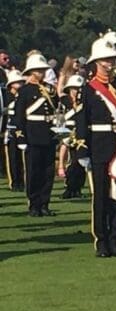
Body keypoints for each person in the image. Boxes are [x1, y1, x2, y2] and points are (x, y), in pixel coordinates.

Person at [75, 38, 116, 258]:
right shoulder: (89, 89)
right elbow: (82, 122)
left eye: (113, 59)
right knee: (100, 195)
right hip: (98, 145)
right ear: (97, 62)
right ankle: (101, 241)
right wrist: (82, 151)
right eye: (107, 59)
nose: (111, 63)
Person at [15, 53, 58, 217]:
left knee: (48, 173)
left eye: (42, 70)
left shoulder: (50, 89)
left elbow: (56, 110)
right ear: (31, 72)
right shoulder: (25, 91)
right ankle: (34, 204)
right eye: (38, 70)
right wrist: (21, 136)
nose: (41, 73)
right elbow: (19, 116)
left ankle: (45, 204)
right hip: (32, 134)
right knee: (34, 172)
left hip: (48, 134)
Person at [58, 74, 86, 199]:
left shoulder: (85, 102)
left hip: (81, 133)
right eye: (74, 88)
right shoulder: (64, 102)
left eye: (79, 88)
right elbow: (60, 117)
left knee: (81, 162)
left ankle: (78, 188)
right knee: (71, 162)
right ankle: (69, 187)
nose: (76, 91)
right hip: (68, 132)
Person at [4, 69, 25, 191]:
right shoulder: (7, 96)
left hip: (21, 131)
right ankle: (14, 182)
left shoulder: (22, 96)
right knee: (12, 158)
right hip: (10, 131)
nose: (20, 84)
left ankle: (22, 182)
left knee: (21, 158)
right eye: (17, 82)